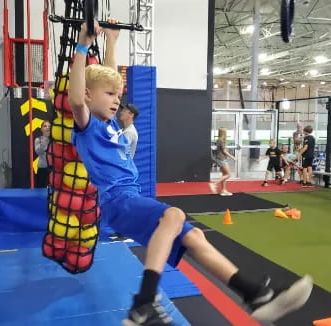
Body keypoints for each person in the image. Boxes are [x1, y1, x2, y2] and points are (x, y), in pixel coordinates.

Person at [69, 21, 312, 325]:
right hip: (117, 202)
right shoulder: (87, 126)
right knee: (175, 215)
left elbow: (106, 80)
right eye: (110, 95)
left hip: (130, 199)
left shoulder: (109, 124)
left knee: (194, 236)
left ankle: (254, 295)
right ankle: (143, 302)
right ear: (90, 96)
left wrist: (112, 43)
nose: (118, 100)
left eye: (119, 95)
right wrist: (81, 43)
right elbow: (78, 97)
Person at [209, 128, 236, 196]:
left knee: (224, 175)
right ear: (224, 133)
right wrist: (233, 157)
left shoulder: (219, 140)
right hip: (222, 159)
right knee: (228, 174)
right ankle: (214, 184)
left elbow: (222, 150)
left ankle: (223, 190)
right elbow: (224, 151)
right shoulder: (221, 141)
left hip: (219, 158)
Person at [34, 120, 51, 188]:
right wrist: (45, 139)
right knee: (40, 189)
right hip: (42, 168)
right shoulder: (38, 140)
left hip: (53, 168)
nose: (47, 128)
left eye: (49, 126)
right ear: (41, 129)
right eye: (45, 126)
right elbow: (38, 151)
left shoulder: (55, 140)